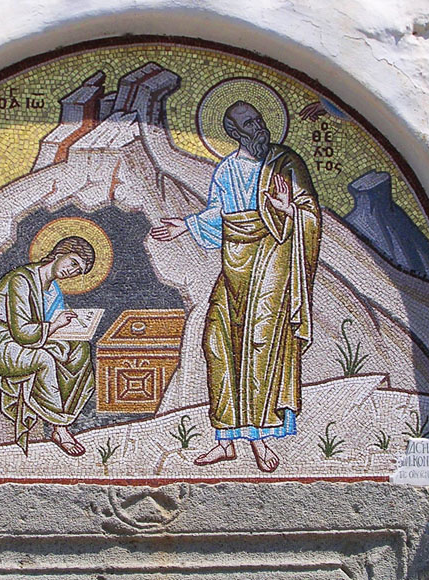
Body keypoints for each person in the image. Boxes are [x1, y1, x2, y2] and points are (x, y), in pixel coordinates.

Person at [150, 101, 321, 472]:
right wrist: (186, 224)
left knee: (260, 346)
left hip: (273, 259)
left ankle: (259, 439)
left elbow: (310, 215)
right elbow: (219, 213)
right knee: (218, 342)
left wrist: (288, 209)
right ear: (233, 132)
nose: (258, 128)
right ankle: (226, 439)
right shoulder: (227, 169)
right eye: (249, 124)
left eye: (259, 120)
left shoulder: (285, 163)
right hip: (235, 263)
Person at [0, 236, 96, 457]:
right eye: (73, 262)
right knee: (45, 360)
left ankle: (66, 414)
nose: (71, 271)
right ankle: (60, 429)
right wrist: (54, 325)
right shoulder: (21, 280)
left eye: (78, 270)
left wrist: (74, 325)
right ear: (60, 252)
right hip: (4, 344)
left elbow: (53, 321)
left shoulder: (52, 288)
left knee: (79, 350)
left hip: (35, 338)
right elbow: (23, 333)